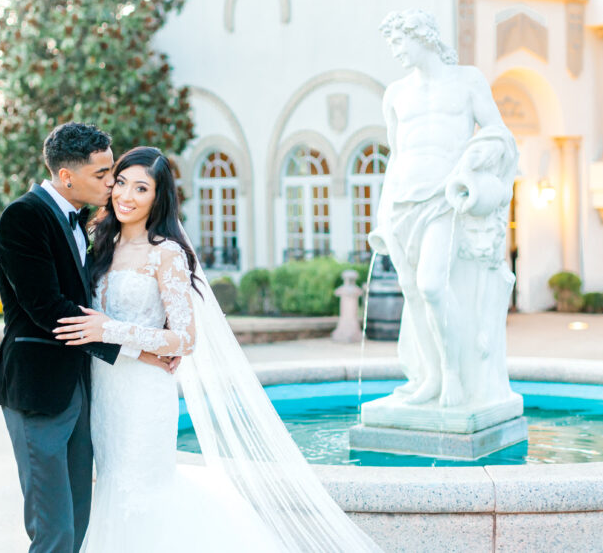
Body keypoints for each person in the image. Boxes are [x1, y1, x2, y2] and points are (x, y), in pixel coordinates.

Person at [53, 146, 381, 552]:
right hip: (104, 391)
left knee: (143, 493)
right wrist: (128, 343)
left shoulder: (166, 253)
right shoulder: (99, 244)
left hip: (143, 397)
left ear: (158, 198)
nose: (126, 195)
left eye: (141, 188)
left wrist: (112, 329)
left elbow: (185, 338)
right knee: (114, 488)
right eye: (120, 182)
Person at [0, 123, 173, 553]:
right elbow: (48, 310)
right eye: (103, 174)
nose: (112, 183)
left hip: (81, 390)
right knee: (53, 530)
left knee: (81, 521)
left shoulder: (85, 224)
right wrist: (137, 349)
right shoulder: (23, 217)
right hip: (39, 391)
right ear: (66, 176)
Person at [368, 9, 517, 408]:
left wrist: (472, 164)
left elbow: (498, 132)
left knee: (432, 285)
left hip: (443, 200)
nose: (395, 50)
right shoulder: (395, 94)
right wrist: (383, 215)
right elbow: (396, 157)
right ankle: (430, 377)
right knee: (414, 294)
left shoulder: (467, 80)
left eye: (399, 41)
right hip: (402, 203)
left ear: (422, 37)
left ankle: (455, 371)